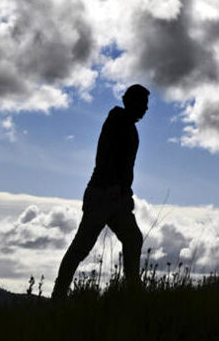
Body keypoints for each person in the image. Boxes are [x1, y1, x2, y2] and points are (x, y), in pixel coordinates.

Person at [51, 84, 150, 299]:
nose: (146, 108)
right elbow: (105, 154)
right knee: (81, 247)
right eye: (142, 103)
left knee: (132, 238)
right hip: (102, 194)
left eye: (146, 104)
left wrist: (126, 193)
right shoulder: (117, 120)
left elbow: (125, 166)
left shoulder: (129, 127)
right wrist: (115, 186)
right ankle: (58, 295)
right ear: (131, 102)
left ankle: (132, 291)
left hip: (116, 197)